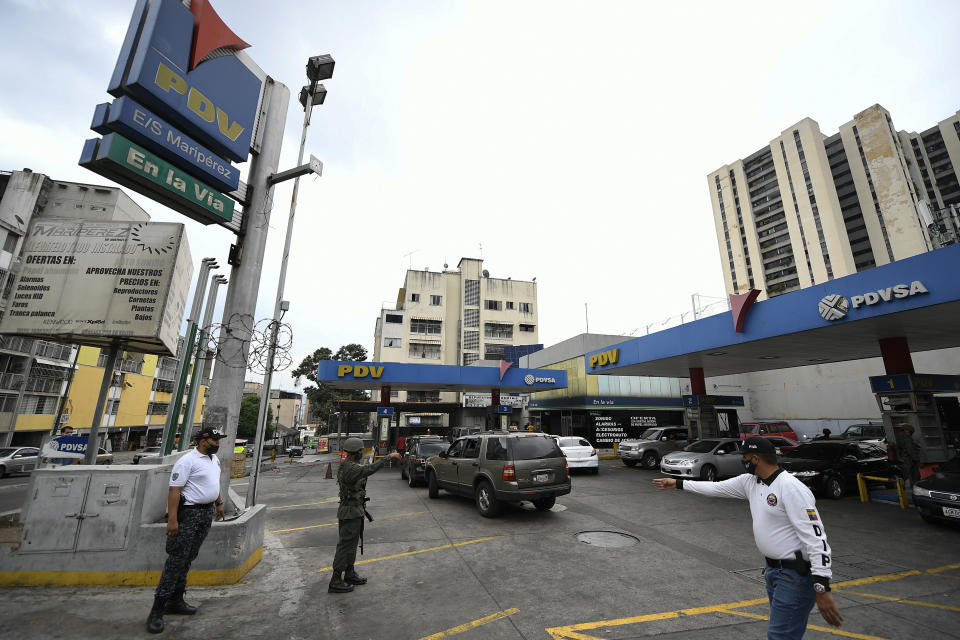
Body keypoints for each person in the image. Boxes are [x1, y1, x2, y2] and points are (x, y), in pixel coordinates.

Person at [653, 437, 842, 639]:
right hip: (773, 572)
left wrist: (822, 587)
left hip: (794, 576)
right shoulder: (750, 482)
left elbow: (816, 537)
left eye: (744, 457)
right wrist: (679, 484)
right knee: (784, 634)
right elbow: (716, 488)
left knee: (780, 635)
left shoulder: (791, 488)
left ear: (756, 459)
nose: (742, 461)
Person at [146, 427, 226, 634]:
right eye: (214, 440)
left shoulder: (212, 460)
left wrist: (218, 504)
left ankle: (176, 601)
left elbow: (213, 483)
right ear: (202, 440)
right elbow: (174, 491)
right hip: (188, 514)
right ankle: (157, 611)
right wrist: (172, 519)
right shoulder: (186, 461)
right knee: (175, 561)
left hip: (205, 513)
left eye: (218, 440)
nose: (217, 443)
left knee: (189, 557)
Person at [329, 438, 401, 594]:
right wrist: (389, 457)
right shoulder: (350, 468)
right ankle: (335, 579)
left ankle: (349, 573)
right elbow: (368, 470)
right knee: (345, 546)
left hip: (354, 511)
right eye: (360, 451)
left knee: (352, 545)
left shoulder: (349, 465)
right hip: (349, 512)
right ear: (355, 453)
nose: (362, 453)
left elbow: (363, 470)